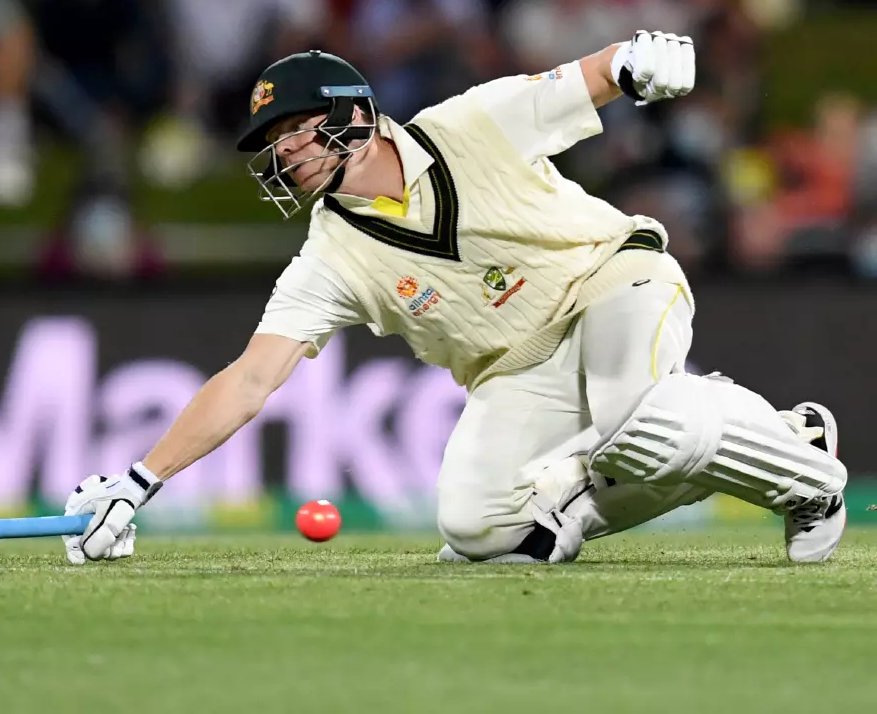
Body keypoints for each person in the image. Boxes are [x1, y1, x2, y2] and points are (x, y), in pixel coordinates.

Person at [60, 32, 847, 566]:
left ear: (354, 113)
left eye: (296, 128)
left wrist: (646, 56)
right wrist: (139, 481)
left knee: (633, 418)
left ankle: (812, 481)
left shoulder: (472, 123)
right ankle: (777, 435)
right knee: (480, 528)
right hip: (516, 367)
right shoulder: (330, 256)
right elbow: (251, 378)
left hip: (614, 282)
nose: (286, 152)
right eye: (274, 143)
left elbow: (598, 75)